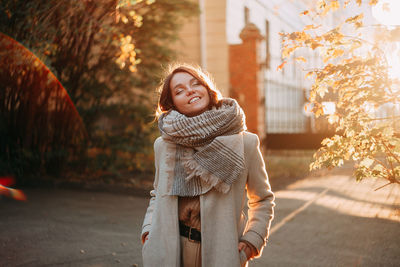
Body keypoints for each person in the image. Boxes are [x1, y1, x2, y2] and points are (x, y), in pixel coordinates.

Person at [141, 63, 275, 267]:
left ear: (207, 88)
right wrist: (149, 229)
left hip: (222, 253)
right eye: (179, 90)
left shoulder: (244, 143)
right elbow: (157, 193)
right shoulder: (164, 146)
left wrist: (252, 240)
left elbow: (262, 199)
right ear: (172, 103)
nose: (190, 90)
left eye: (196, 83)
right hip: (170, 252)